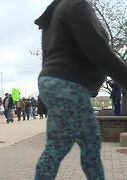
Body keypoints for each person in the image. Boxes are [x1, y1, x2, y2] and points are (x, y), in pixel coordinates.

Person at [34, 0, 127, 179]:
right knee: (76, 146)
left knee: (69, 146)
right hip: (68, 86)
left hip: (55, 84)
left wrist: (43, 99)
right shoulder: (76, 4)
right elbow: (98, 50)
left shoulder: (55, 12)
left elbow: (47, 59)